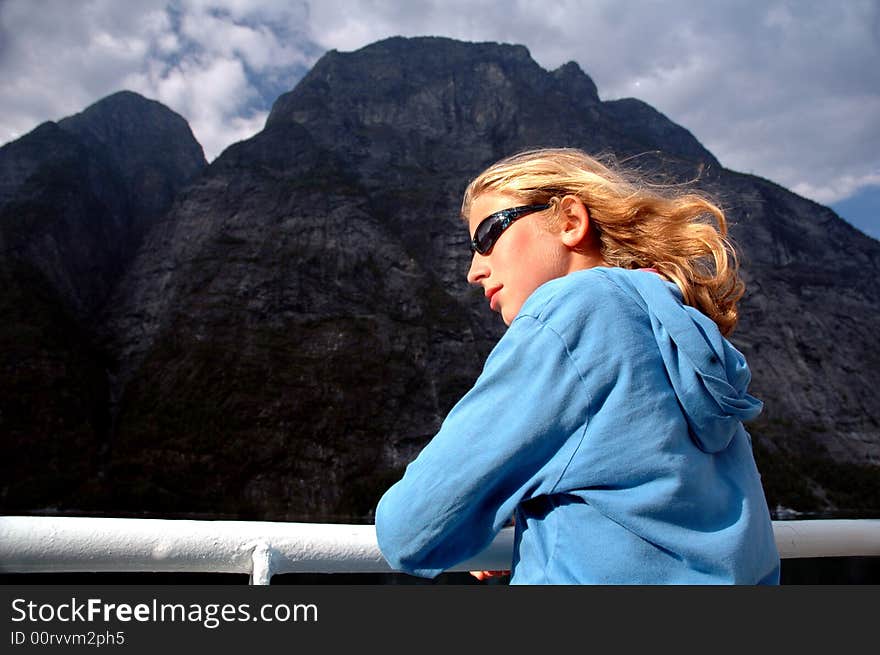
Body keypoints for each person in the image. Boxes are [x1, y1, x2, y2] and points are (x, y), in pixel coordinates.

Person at [374, 147, 781, 584]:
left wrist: (481, 520)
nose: (474, 270)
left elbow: (409, 527)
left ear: (570, 221)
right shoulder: (681, 330)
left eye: (488, 236)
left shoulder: (575, 309)